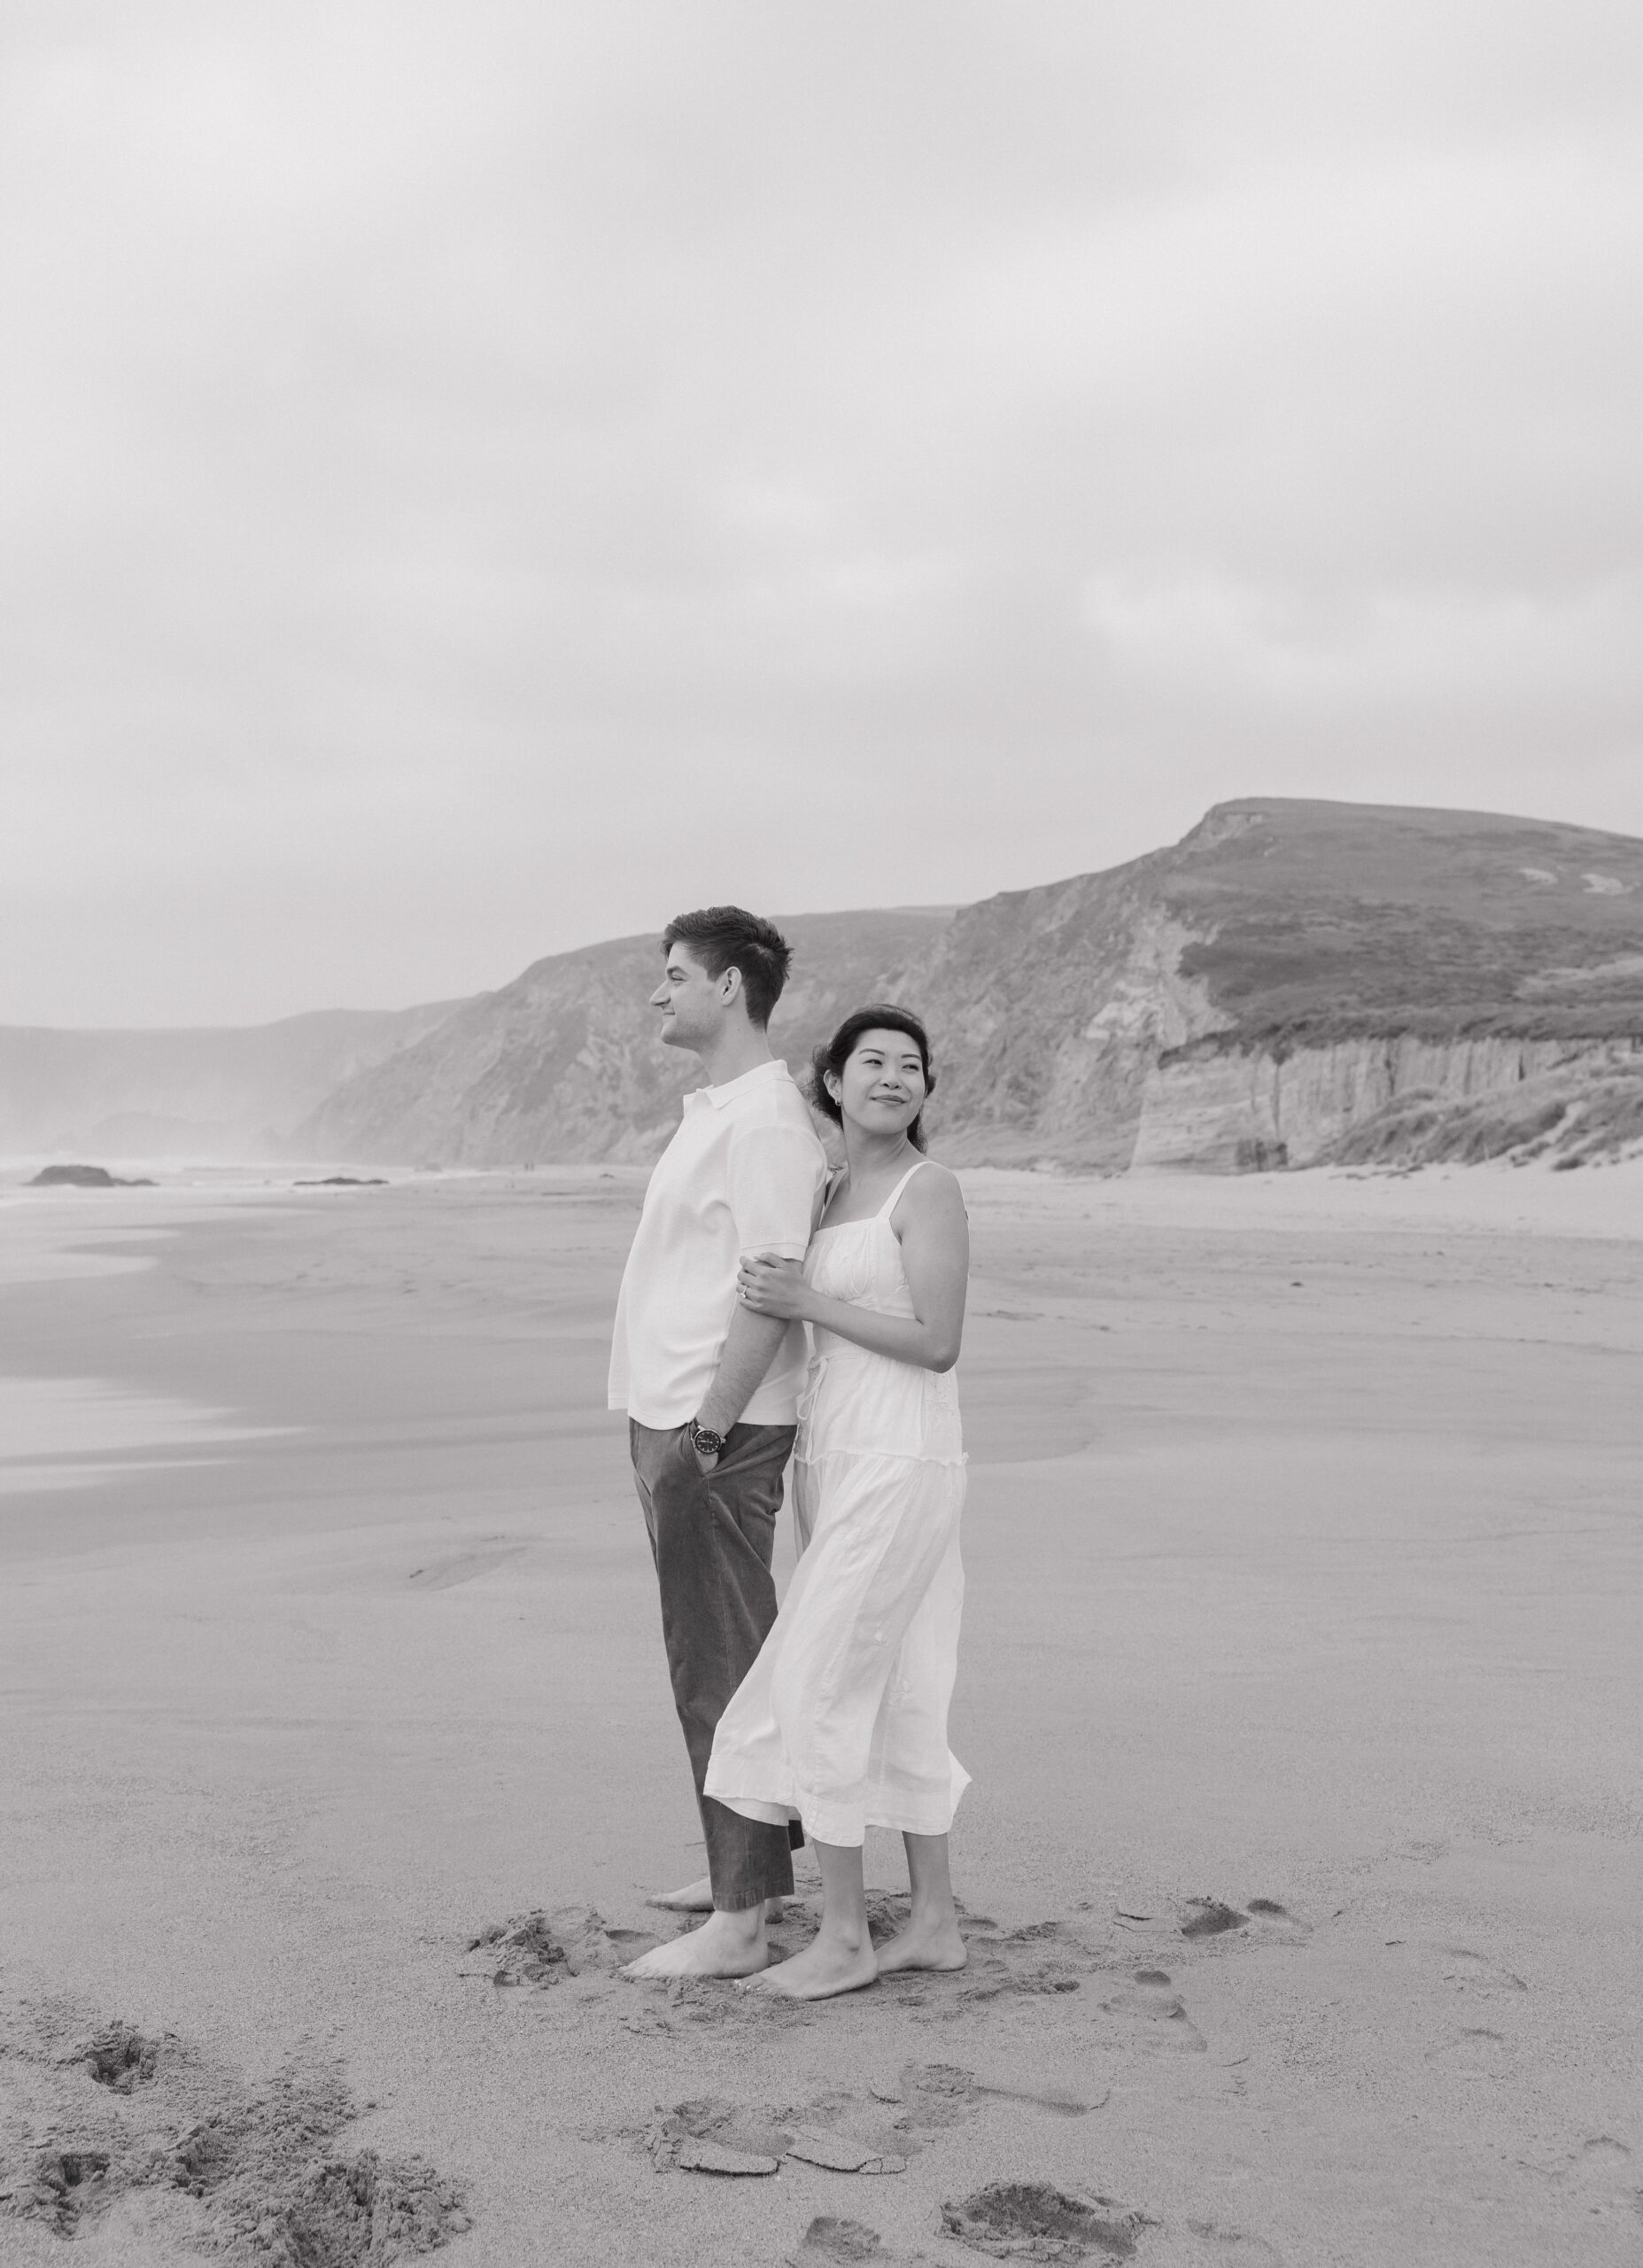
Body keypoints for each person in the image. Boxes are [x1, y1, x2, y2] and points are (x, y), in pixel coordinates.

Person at [704, 1004, 971, 2000]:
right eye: (874, 1062)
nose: (894, 1077)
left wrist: (807, 1302)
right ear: (834, 1078)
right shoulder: (824, 1190)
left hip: (904, 1456)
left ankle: (846, 1934)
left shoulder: (926, 1188)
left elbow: (937, 1341)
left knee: (816, 1681)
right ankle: (935, 1922)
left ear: (924, 1090)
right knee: (898, 1680)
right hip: (838, 1459)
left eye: (912, 1065)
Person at [610, 907, 829, 1982]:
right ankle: (746, 1858)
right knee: (720, 1652)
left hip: (716, 1426)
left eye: (675, 976)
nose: (660, 994)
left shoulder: (767, 1123)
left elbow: (772, 1288)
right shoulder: (720, 1112)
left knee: (719, 1664)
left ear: (730, 989)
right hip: (680, 1414)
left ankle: (742, 1916)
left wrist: (704, 1428)